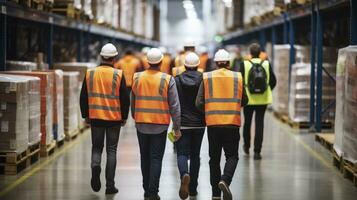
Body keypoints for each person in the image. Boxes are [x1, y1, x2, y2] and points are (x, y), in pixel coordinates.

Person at [196, 49, 248, 200]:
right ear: (229, 62)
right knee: (232, 156)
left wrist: (210, 110)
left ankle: (215, 194)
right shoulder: (237, 77)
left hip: (213, 124)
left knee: (214, 159)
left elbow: (198, 103)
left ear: (216, 63)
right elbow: (245, 100)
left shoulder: (207, 77)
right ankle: (225, 180)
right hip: (232, 123)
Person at [131, 48, 182, 200]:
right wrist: (177, 127)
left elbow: (133, 101)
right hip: (160, 125)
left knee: (144, 157)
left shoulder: (137, 78)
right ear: (161, 62)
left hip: (141, 124)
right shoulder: (167, 79)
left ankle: (146, 189)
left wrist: (136, 116)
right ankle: (153, 192)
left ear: (147, 61)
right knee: (155, 158)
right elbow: (174, 106)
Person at [80, 43, 130, 194]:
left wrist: (86, 115)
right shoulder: (118, 74)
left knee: (96, 147)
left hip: (96, 117)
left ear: (101, 57)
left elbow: (83, 96)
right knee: (111, 150)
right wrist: (124, 117)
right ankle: (110, 186)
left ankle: (95, 166)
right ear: (114, 58)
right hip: (114, 118)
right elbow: (125, 98)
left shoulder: (90, 73)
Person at [175, 52, 206, 200]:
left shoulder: (177, 80)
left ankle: (184, 174)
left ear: (185, 65)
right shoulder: (203, 79)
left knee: (181, 153)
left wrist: (175, 123)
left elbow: (174, 104)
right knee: (195, 155)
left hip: (182, 123)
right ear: (198, 65)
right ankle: (193, 188)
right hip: (199, 124)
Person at [240, 43, 276, 160]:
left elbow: (239, 82)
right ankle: (257, 151)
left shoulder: (244, 64)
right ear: (260, 53)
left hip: (248, 99)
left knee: (247, 123)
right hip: (263, 99)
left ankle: (246, 145)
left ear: (250, 53)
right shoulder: (266, 63)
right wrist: (266, 89)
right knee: (259, 123)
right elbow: (273, 81)